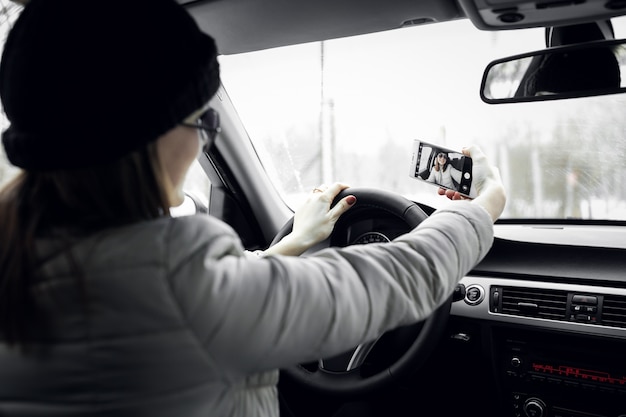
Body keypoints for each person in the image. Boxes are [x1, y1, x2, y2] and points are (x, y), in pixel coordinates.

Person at [0, 0, 506, 416]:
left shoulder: (21, 254)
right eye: (202, 123)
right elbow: (390, 281)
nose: (203, 141)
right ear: (150, 139)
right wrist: (484, 205)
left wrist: (292, 244)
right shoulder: (182, 284)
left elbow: (216, 300)